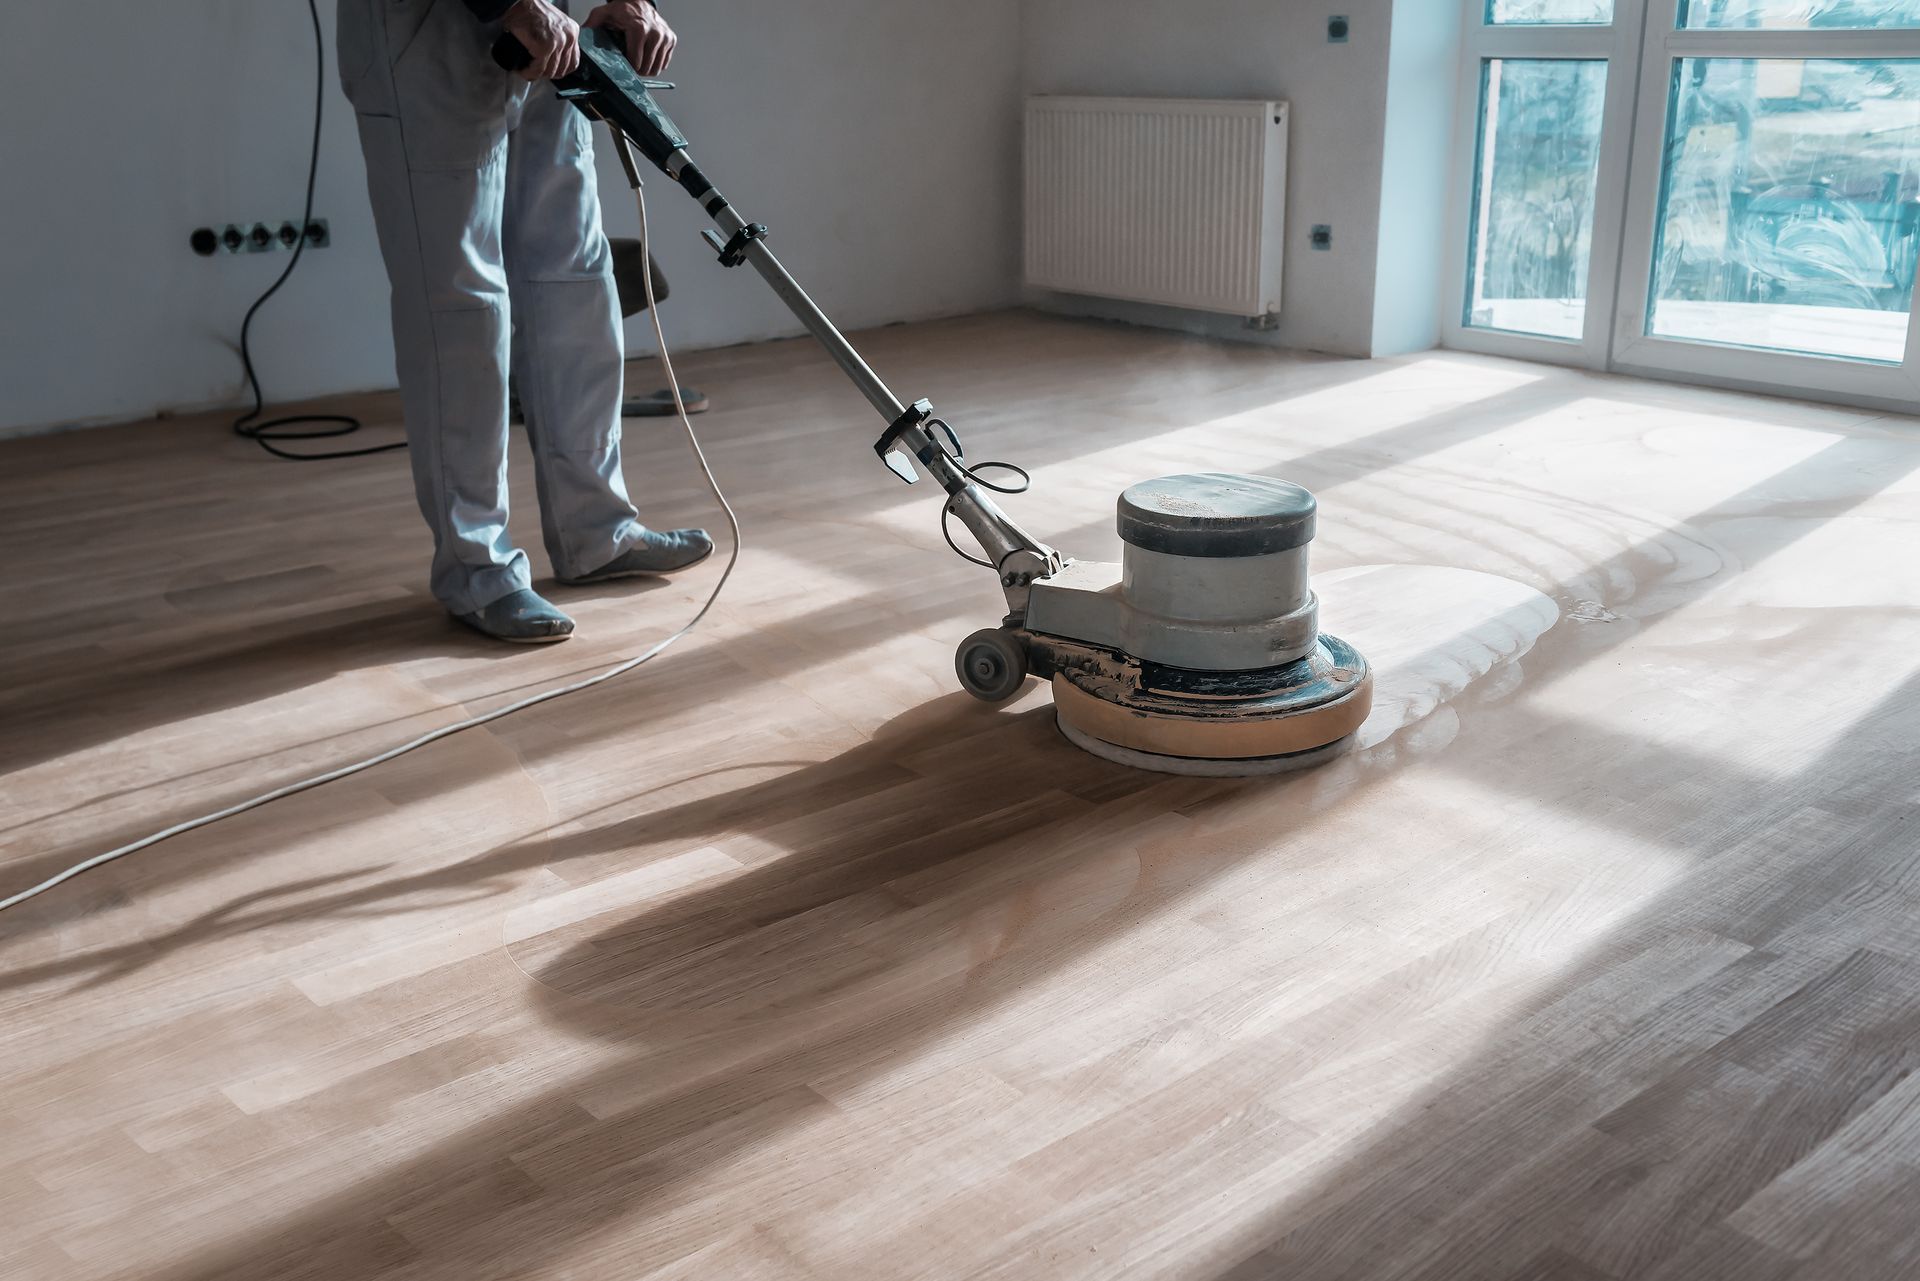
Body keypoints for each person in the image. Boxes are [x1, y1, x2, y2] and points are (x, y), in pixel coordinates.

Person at [336, 0, 711, 644]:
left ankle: (596, 531)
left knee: (575, 280)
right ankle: (477, 570)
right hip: (429, 26)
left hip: (555, 25)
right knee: (461, 307)